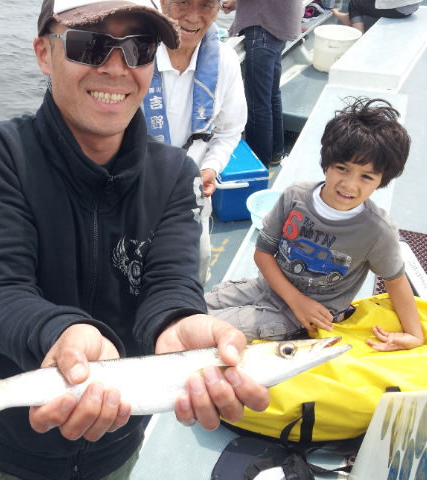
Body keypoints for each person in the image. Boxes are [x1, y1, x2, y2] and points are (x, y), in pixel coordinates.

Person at [0, 1, 270, 479]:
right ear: (44, 54)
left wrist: (178, 321)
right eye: (89, 45)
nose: (117, 68)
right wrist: (61, 333)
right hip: (12, 448)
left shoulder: (174, 173)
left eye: (138, 48)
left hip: (118, 444)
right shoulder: (1, 155)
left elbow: (171, 283)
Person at [205, 97, 424, 352]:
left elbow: (395, 280)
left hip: (298, 318)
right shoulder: (294, 196)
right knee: (186, 308)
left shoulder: (378, 232)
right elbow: (263, 253)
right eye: (342, 168)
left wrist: (414, 335)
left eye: (366, 176)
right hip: (264, 287)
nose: (350, 185)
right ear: (327, 163)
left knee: (205, 330)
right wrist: (295, 298)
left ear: (382, 180)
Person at [142, 0, 247, 285]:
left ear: (219, 8)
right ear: (162, 2)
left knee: (195, 270)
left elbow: (229, 130)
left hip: (191, 189)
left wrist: (211, 167)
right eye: (183, 2)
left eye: (205, 5)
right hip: (134, 189)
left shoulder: (225, 61)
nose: (192, 16)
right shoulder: (134, 51)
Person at [222, 0, 302, 168]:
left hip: (263, 24)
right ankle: (275, 153)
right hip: (280, 22)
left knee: (258, 102)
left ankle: (259, 163)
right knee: (271, 94)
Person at [331, 0, 421, 34]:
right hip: (413, 5)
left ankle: (358, 38)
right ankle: (349, 17)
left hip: (400, 8)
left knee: (355, 4)